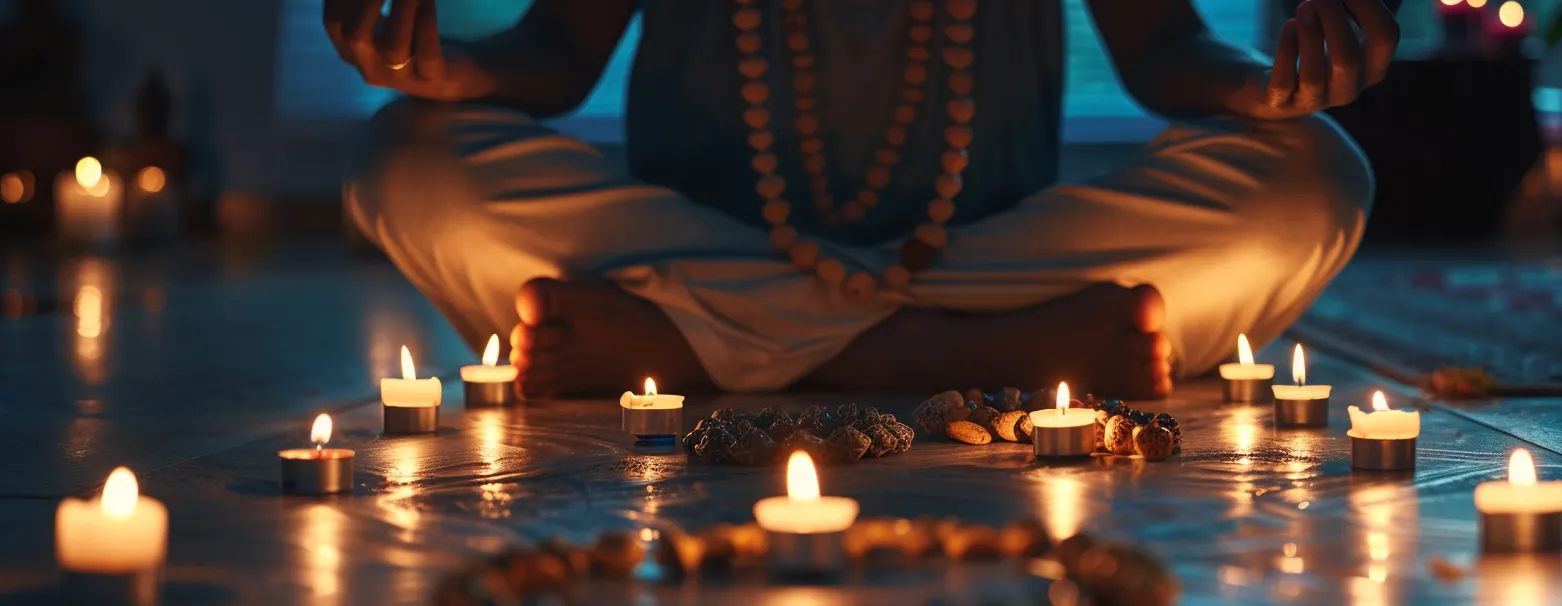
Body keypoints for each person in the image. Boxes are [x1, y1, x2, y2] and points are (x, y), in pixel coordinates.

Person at [329, 0, 1396, 399]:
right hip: (717, 242)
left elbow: (1163, 45)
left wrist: (1266, 88)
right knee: (408, 153)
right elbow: (557, 51)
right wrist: (453, 73)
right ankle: (960, 359)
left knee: (1313, 174)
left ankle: (709, 354)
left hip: (950, 255)